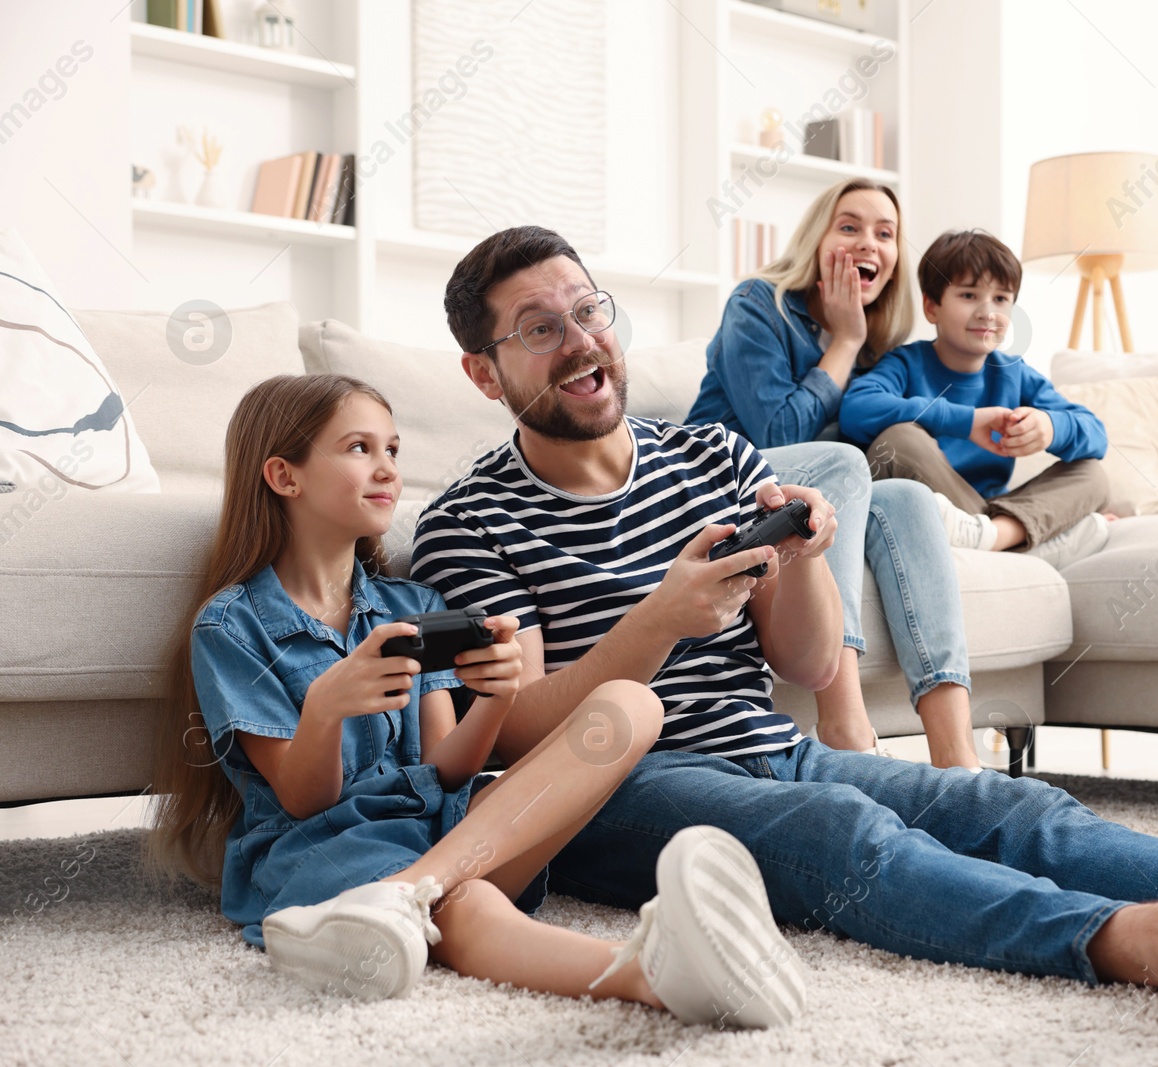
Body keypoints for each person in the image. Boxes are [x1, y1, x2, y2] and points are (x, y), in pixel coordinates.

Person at [411, 224, 1158, 1010]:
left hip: (761, 744)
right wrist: (662, 618)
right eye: (539, 327)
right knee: (850, 842)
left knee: (997, 799)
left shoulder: (712, 454)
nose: (582, 342)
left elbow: (809, 660)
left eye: (588, 308)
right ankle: (1142, 939)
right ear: (484, 370)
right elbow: (515, 747)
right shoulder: (466, 525)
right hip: (617, 798)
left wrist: (806, 563)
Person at [144, 373, 805, 1029]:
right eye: (359, 448)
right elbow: (302, 799)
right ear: (285, 476)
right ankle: (649, 972)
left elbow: (448, 768)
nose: (387, 469)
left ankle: (403, 896)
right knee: (468, 905)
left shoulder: (410, 607)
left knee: (630, 704)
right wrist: (326, 706)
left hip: (444, 829)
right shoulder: (232, 626)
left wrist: (491, 697)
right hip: (327, 843)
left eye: (394, 450)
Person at [688, 178, 981, 769]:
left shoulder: (882, 340)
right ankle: (844, 730)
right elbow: (774, 438)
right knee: (842, 460)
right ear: (817, 240)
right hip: (717, 484)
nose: (866, 242)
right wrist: (844, 342)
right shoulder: (757, 304)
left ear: (895, 259)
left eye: (885, 232)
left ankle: (958, 762)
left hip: (807, 497)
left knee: (906, 498)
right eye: (848, 226)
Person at [841, 229, 1114, 569]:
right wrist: (965, 422)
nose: (988, 312)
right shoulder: (907, 363)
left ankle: (991, 538)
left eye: (1001, 299)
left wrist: (1050, 426)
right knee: (898, 439)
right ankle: (1018, 544)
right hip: (931, 508)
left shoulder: (1014, 373)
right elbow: (856, 409)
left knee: (1092, 475)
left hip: (987, 510)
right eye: (969, 295)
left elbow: (1096, 435)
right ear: (932, 306)